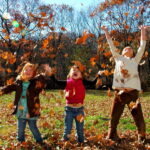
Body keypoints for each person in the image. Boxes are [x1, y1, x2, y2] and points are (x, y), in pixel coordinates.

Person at [101, 25, 149, 143]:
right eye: (126, 48)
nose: (128, 48)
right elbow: (110, 44)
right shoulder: (118, 58)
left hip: (132, 93)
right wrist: (106, 31)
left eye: (130, 48)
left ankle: (142, 137)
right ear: (122, 52)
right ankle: (111, 135)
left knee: (138, 117)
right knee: (114, 116)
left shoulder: (135, 60)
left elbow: (142, 46)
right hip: (119, 93)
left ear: (133, 53)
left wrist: (143, 30)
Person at [0, 62, 52, 146]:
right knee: (20, 128)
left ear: (34, 73)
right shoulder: (19, 82)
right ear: (22, 71)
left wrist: (45, 73)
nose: (27, 72)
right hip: (21, 110)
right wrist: (2, 90)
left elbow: (42, 80)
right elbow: (10, 87)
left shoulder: (35, 83)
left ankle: (39, 140)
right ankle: (21, 141)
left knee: (33, 127)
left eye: (30, 71)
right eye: (26, 70)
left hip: (32, 110)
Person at [51, 65, 101, 143]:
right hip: (69, 109)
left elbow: (92, 83)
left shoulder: (83, 82)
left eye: (77, 71)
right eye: (73, 70)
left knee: (80, 129)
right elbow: (56, 82)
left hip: (79, 110)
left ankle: (81, 141)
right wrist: (51, 75)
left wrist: (98, 76)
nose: (75, 71)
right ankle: (65, 141)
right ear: (70, 74)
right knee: (68, 128)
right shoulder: (67, 82)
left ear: (81, 74)